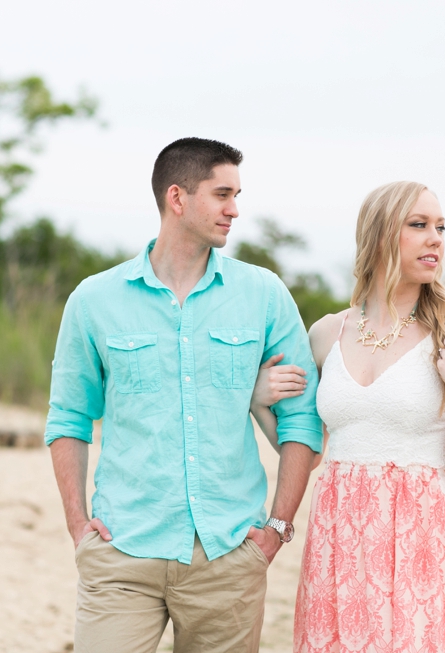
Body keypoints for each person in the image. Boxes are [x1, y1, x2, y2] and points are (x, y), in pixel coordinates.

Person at [44, 137, 322, 653]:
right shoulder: (94, 300)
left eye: (236, 195)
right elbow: (68, 417)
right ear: (178, 198)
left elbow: (303, 419)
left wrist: (277, 528)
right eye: (222, 194)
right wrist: (78, 526)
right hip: (121, 549)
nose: (234, 210)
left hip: (229, 555)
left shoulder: (264, 295)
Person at [253, 181, 445, 653]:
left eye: (441, 227)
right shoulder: (327, 332)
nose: (436, 239)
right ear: (382, 234)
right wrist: (260, 401)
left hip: (419, 532)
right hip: (337, 532)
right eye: (419, 225)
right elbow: (308, 446)